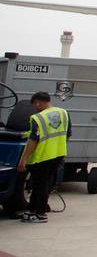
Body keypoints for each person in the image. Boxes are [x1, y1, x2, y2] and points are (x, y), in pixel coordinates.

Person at [17, 91, 71, 223]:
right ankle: (34, 209)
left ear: (38, 103)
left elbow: (33, 140)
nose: (35, 108)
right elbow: (67, 133)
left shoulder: (38, 118)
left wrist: (23, 159)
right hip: (58, 154)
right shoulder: (63, 113)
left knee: (38, 185)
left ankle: (40, 213)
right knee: (46, 182)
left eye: (35, 105)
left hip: (42, 156)